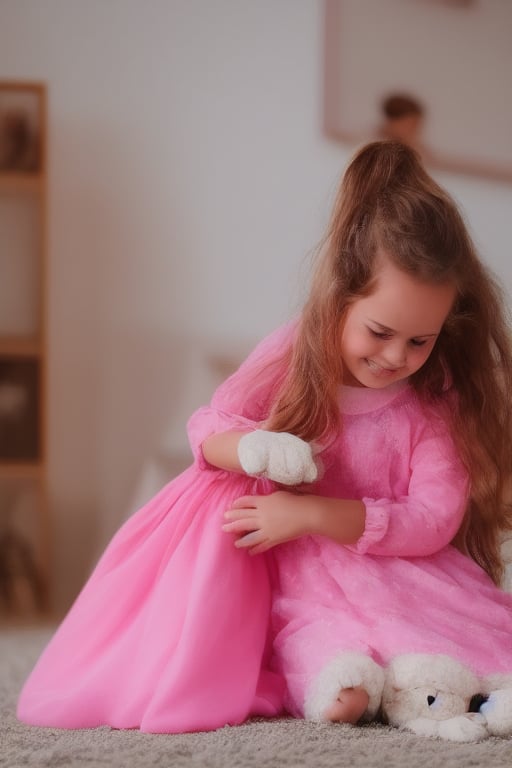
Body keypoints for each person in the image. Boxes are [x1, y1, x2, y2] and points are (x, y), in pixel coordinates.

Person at [17, 141, 512, 735]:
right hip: (306, 585)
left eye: (419, 341)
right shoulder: (294, 351)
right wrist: (253, 448)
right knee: (334, 675)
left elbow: (432, 517)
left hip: (403, 574)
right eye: (380, 332)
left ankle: (448, 690)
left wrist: (307, 514)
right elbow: (209, 429)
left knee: (454, 650)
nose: (395, 357)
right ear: (340, 300)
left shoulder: (433, 400)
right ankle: (371, 683)